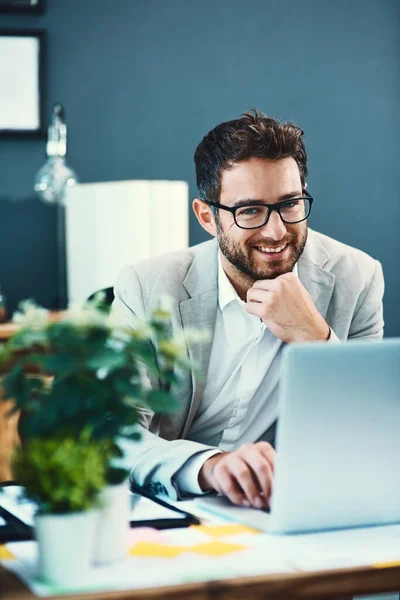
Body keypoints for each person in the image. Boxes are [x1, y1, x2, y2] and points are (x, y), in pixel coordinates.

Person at [113, 109, 384, 509]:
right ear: (207, 217)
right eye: (250, 210)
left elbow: (374, 431)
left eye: (290, 204)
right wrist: (211, 466)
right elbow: (112, 432)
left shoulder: (355, 277)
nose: (276, 231)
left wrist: (315, 336)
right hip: (176, 501)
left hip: (286, 505)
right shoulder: (148, 286)